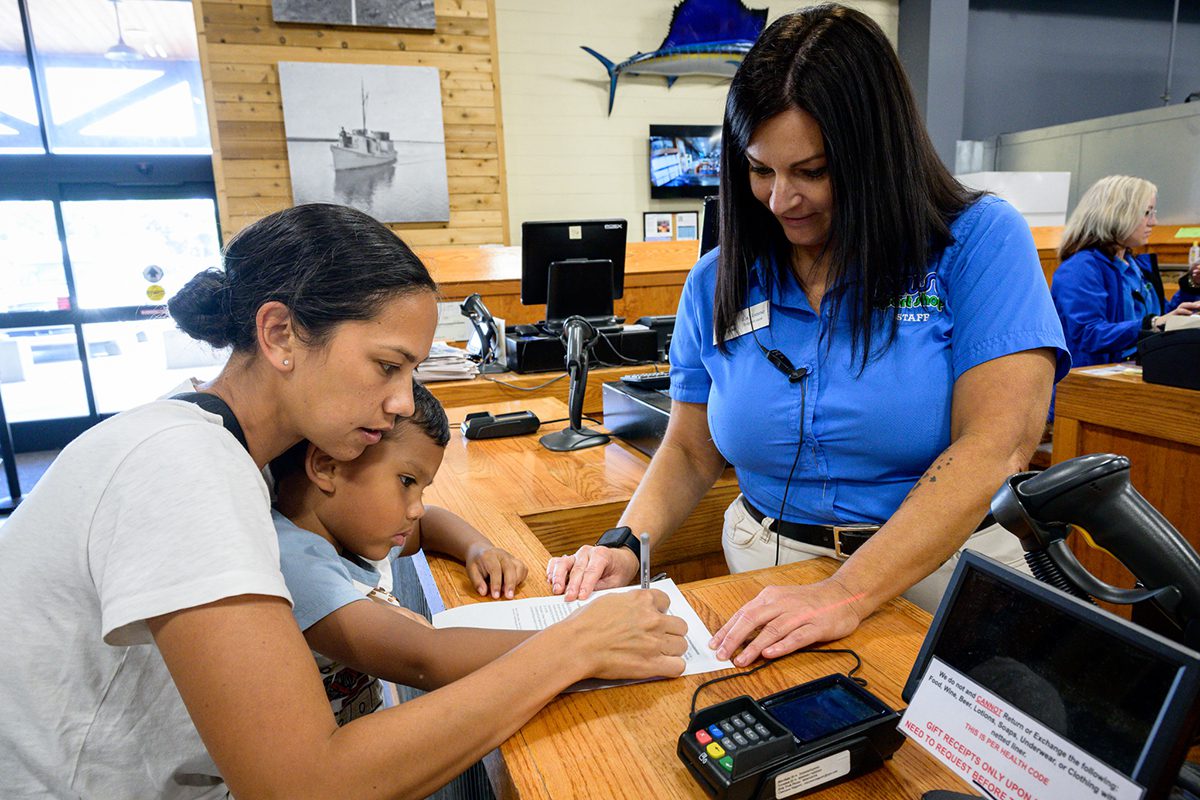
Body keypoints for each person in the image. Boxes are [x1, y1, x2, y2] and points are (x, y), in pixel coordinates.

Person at [0, 203, 688, 799]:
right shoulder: (181, 467)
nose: (399, 402)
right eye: (387, 367)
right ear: (280, 336)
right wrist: (573, 647)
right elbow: (304, 785)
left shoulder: (246, 458)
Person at [547, 4, 1069, 669]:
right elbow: (688, 449)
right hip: (767, 575)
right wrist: (625, 543)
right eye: (761, 170)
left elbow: (997, 443)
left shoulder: (978, 242)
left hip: (942, 577)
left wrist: (846, 591)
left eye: (813, 172)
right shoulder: (718, 279)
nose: (781, 199)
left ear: (877, 155)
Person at [271, 381, 531, 724]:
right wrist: (575, 637)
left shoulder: (353, 532)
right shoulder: (292, 561)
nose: (416, 509)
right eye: (407, 481)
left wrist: (477, 548)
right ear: (327, 466)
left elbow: (427, 526)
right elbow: (426, 659)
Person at [1051, 175, 1200, 367]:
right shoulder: (1079, 269)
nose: (1153, 222)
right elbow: (1087, 334)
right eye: (1146, 213)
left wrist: (1192, 286)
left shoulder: (1135, 266)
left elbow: (1162, 316)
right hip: (1092, 381)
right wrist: (1151, 324)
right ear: (1116, 214)